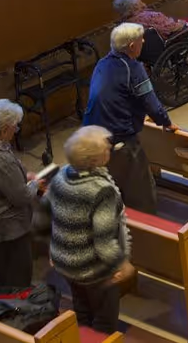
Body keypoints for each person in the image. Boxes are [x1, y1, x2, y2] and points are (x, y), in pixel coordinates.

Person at [45, 126, 134, 334]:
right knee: (104, 323)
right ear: (95, 159)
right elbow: (104, 240)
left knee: (82, 312)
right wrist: (122, 263)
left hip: (66, 263)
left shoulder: (61, 175)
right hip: (94, 269)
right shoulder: (101, 191)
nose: (109, 149)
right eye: (105, 148)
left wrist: (54, 248)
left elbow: (47, 215)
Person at [82, 23, 177, 213]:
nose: (143, 41)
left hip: (91, 138)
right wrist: (166, 122)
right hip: (119, 138)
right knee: (141, 192)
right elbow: (150, 102)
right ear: (132, 46)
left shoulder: (102, 63)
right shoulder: (133, 68)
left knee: (109, 188)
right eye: (140, 39)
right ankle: (149, 233)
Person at [0, 100, 40, 287]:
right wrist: (35, 184)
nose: (16, 132)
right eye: (15, 128)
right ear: (5, 130)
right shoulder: (0, 159)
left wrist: (22, 174)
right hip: (6, 230)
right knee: (16, 281)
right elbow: (21, 197)